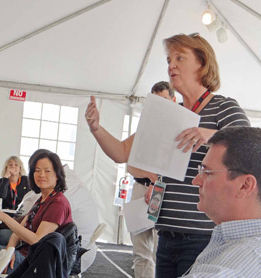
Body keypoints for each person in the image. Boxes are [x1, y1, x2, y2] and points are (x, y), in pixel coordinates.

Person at [85, 33, 250, 278]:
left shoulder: (224, 107)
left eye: (180, 58)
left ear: (202, 64)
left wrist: (209, 135)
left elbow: (250, 149)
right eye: (169, 59)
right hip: (166, 236)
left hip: (203, 238)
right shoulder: (169, 114)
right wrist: (96, 129)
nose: (171, 65)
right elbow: (121, 153)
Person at [181, 126, 261, 277]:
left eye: (207, 172)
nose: (196, 181)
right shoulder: (255, 249)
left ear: (245, 186)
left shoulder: (244, 262)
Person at [0, 149, 72, 274]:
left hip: (33, 261)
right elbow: (19, 229)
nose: (41, 175)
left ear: (57, 175)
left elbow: (36, 240)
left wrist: (2, 216)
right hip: (23, 251)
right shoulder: (43, 198)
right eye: (37, 170)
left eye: (47, 171)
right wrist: (10, 251)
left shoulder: (58, 203)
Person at [123, 81, 175, 278]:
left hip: (166, 192)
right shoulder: (144, 130)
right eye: (155, 101)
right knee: (141, 251)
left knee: (161, 251)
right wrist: (150, 176)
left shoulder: (182, 129)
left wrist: (157, 181)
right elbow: (130, 166)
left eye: (164, 100)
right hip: (140, 190)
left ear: (173, 99)